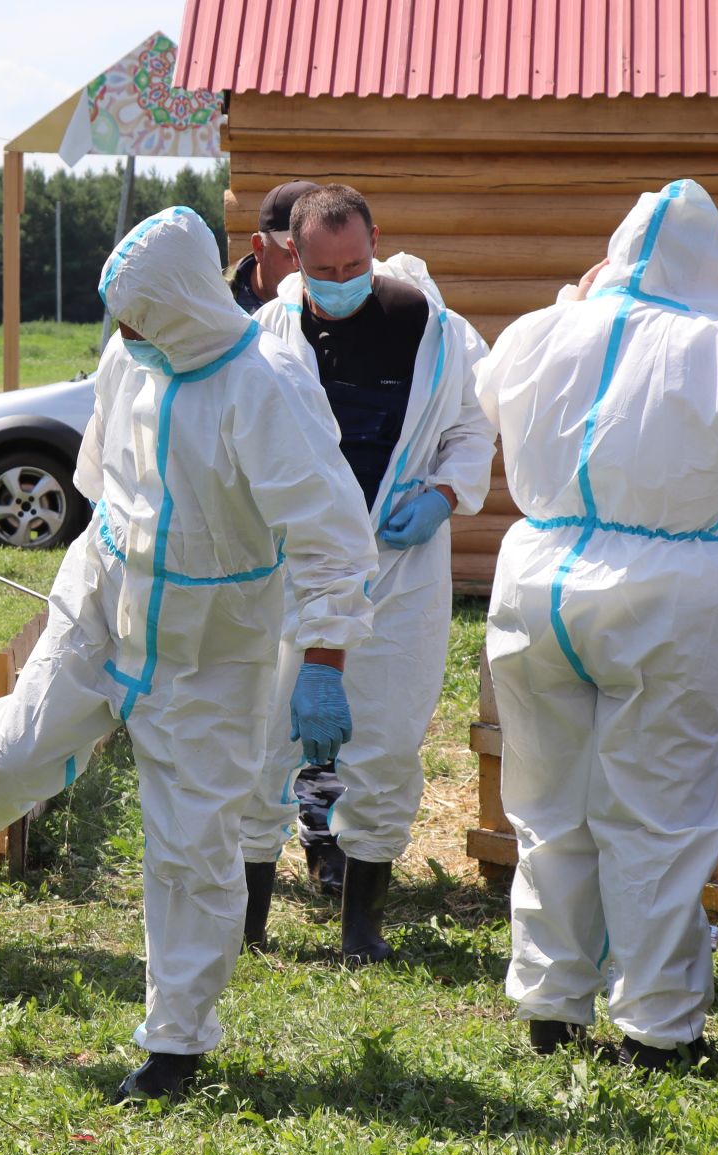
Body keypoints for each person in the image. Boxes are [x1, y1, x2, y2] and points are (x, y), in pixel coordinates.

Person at [0, 207, 378, 1101]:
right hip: (103, 597)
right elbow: (101, 481)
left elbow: (332, 538)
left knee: (192, 842)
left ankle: (177, 1044)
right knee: (22, 745)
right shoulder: (131, 359)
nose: (123, 332)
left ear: (179, 301)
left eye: (136, 315)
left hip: (216, 644)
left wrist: (322, 664)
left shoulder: (267, 385)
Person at [477, 181, 718, 1068]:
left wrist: (575, 301)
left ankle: (552, 1002)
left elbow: (492, 391)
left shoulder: (542, 329)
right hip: (668, 590)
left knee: (547, 802)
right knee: (663, 810)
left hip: (536, 583)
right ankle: (656, 1024)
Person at [242, 185, 494, 959]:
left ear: (376, 241)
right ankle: (245, 923)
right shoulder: (264, 336)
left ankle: (362, 927)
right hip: (288, 568)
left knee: (385, 742)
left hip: (399, 567)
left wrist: (446, 493)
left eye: (356, 262)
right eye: (324, 268)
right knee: (259, 743)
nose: (342, 279)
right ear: (292, 256)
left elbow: (473, 425)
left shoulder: (436, 331)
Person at [224, 181, 317, 313]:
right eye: (291, 254)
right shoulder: (213, 297)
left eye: (318, 257)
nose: (305, 268)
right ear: (259, 247)